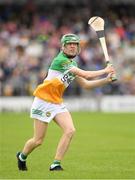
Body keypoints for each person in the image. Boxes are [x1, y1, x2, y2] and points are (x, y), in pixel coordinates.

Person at [16, 33, 115, 171]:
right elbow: (85, 74)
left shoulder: (72, 64)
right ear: (63, 47)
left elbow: (86, 84)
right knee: (38, 140)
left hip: (56, 102)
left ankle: (56, 164)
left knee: (70, 130)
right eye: (69, 44)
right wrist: (105, 70)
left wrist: (106, 80)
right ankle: (22, 156)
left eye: (75, 44)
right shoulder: (60, 61)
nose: (73, 47)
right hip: (43, 101)